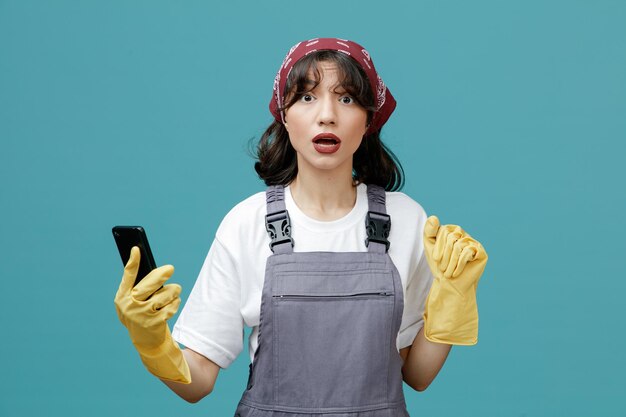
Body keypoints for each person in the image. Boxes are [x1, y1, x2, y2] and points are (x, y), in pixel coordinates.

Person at [114, 38, 488, 416]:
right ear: (284, 115)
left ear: (369, 119)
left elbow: (417, 374)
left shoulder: (406, 220)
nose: (327, 115)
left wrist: (452, 297)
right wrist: (151, 340)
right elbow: (197, 381)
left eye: (346, 99)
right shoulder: (246, 223)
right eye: (307, 98)